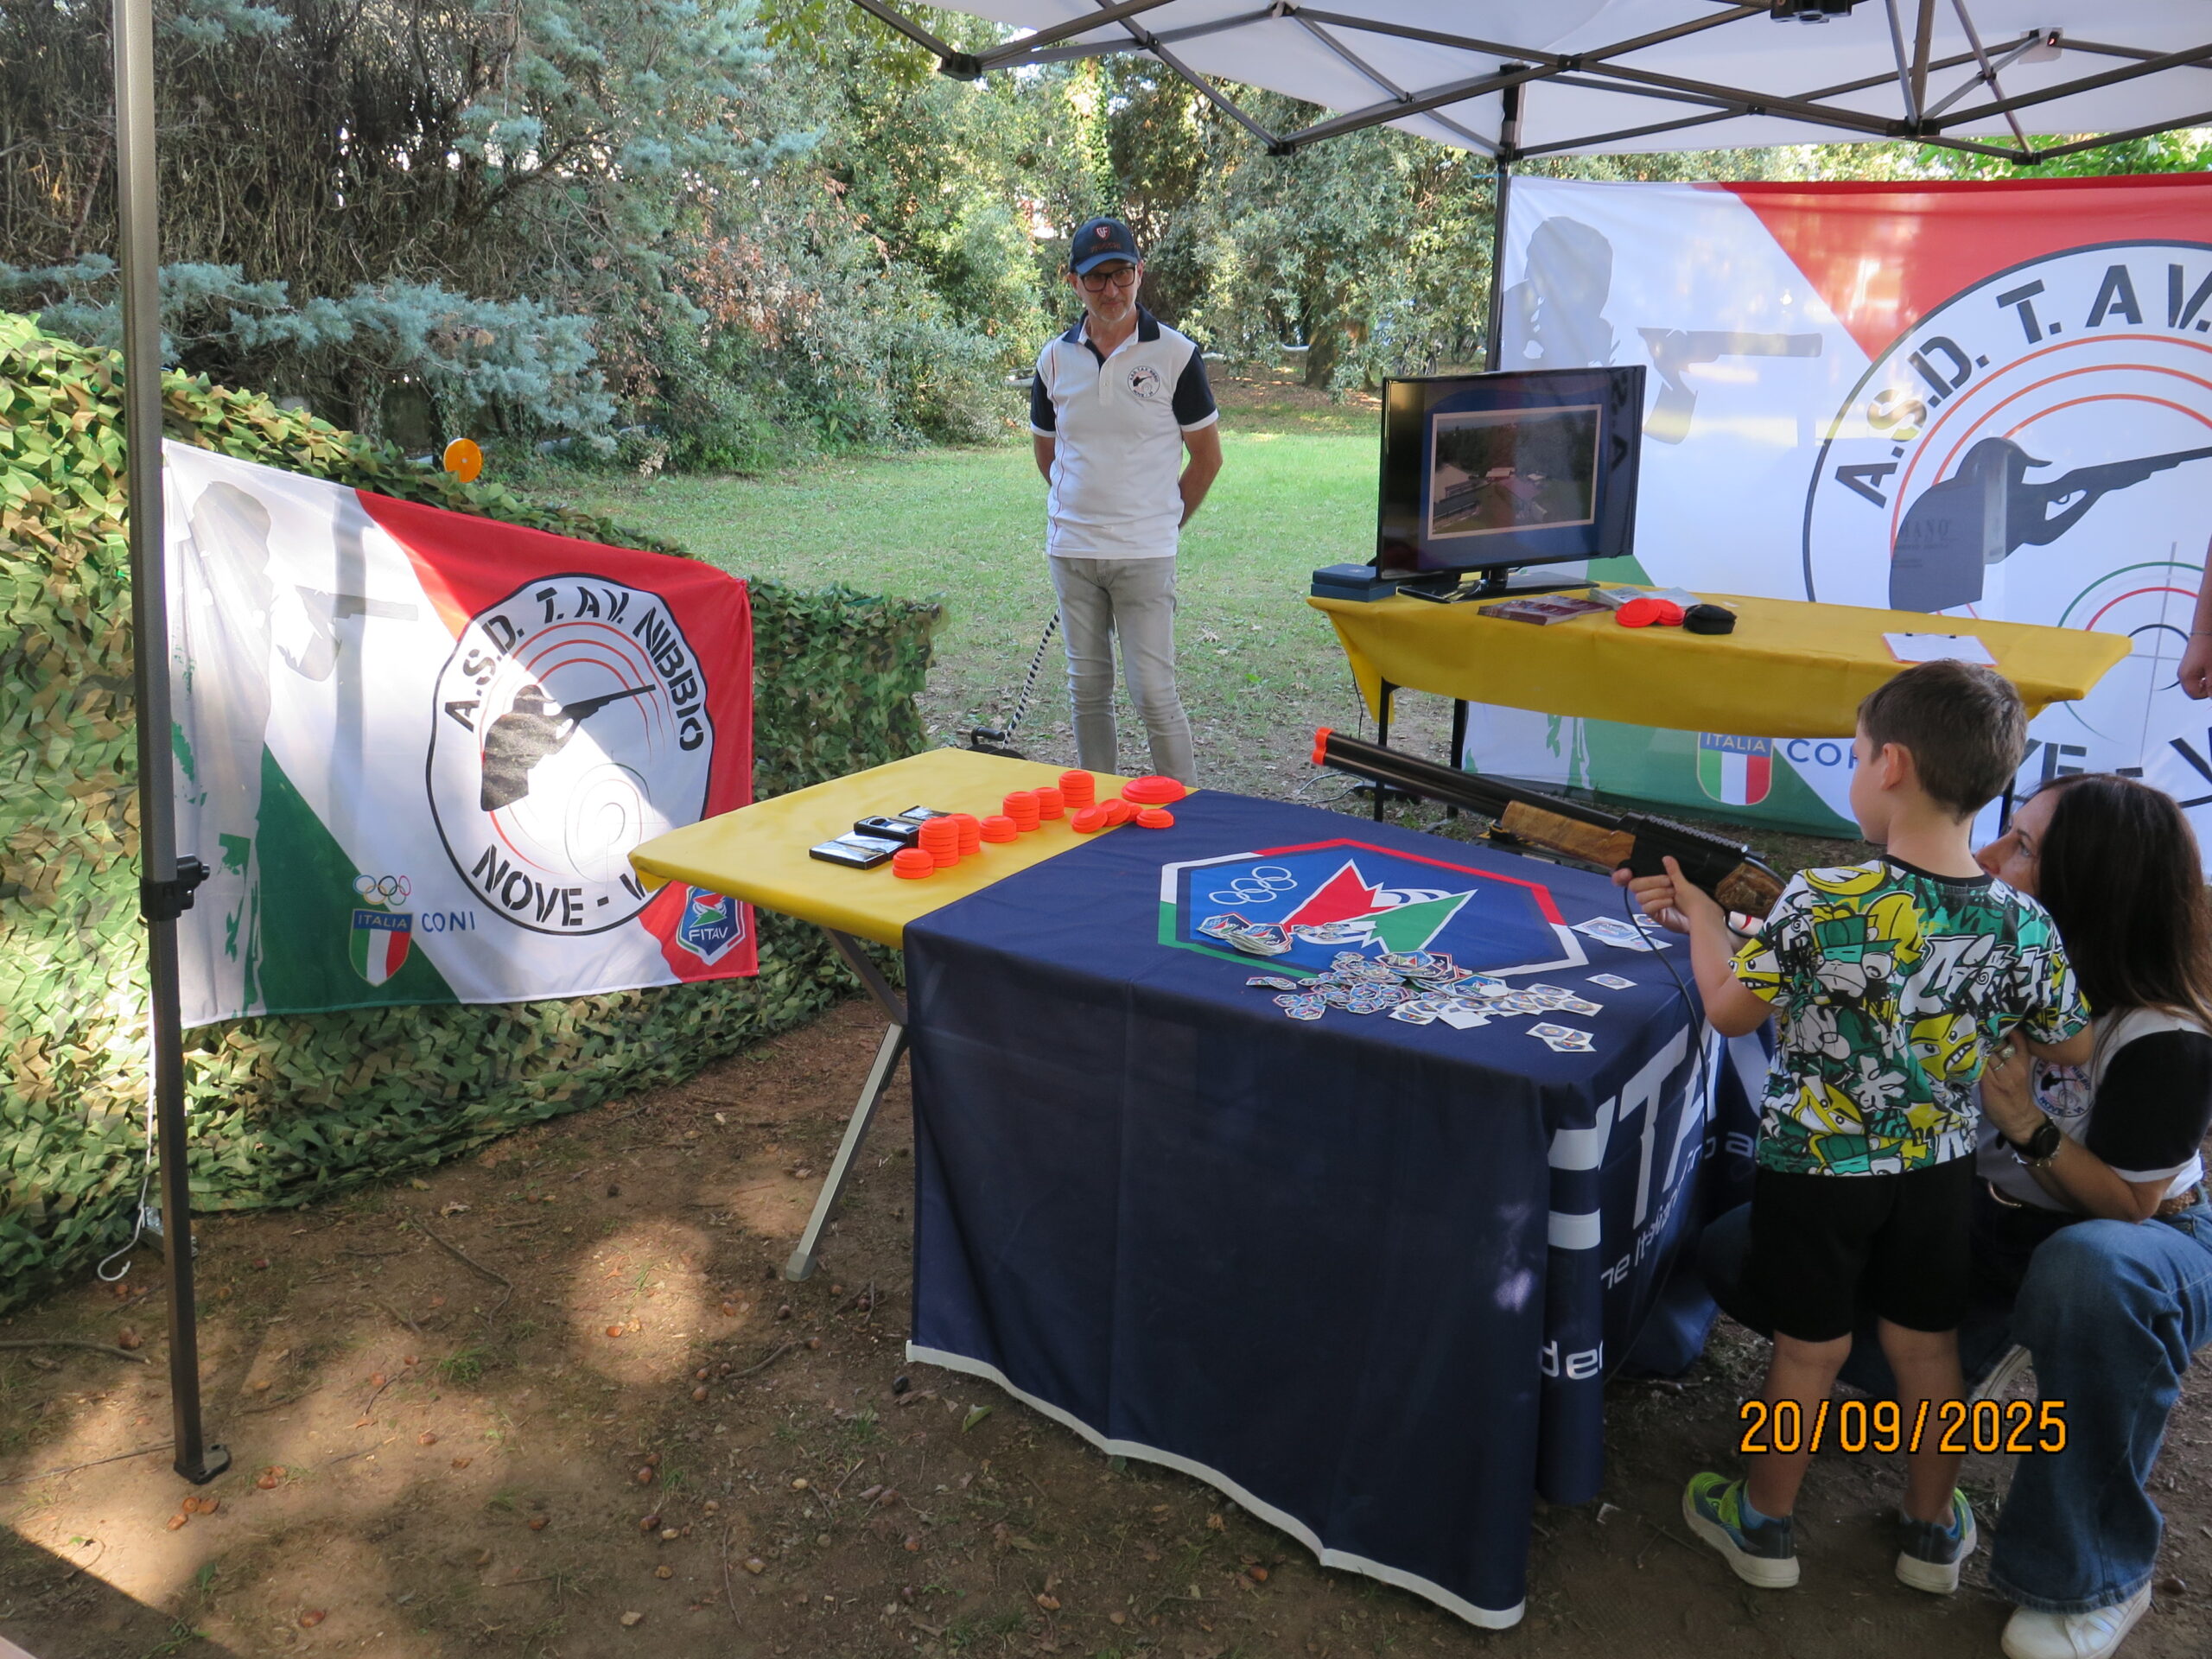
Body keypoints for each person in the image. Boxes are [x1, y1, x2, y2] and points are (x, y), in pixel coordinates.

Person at [1694, 772, 2212, 1659]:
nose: (1992, 856)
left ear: (2092, 885)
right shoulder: (2000, 940)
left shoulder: (2166, 1035)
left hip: (2129, 1239)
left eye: (2026, 847)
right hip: (1974, 1212)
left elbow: (2131, 1204)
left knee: (2087, 1275)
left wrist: (2026, 1123)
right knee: (1747, 1252)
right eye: (2005, 830)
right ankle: (1935, 1479)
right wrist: (1747, 934)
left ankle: (2088, 1574)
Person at [1621, 660, 2091, 1596]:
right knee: (1927, 1345)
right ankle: (1931, 1535)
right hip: (1938, 1170)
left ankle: (1762, 1526)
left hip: (1815, 1168)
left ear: (1891, 766)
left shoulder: (1823, 898)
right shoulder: (2024, 922)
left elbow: (1729, 1008)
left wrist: (1705, 920)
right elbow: (2071, 1045)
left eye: (1859, 750)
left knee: (1809, 1349)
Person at [1029, 216, 1221, 785]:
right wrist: (1080, 513)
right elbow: (1048, 454)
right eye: (1096, 278)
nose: (1111, 290)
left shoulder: (1177, 355)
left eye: (1121, 274)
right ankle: (1099, 806)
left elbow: (1207, 459)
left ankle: (1185, 810)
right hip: (1074, 553)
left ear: (1140, 272)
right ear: (1073, 282)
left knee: (1153, 692)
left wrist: (1161, 522)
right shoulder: (1053, 360)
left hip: (1145, 554)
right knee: (1087, 690)